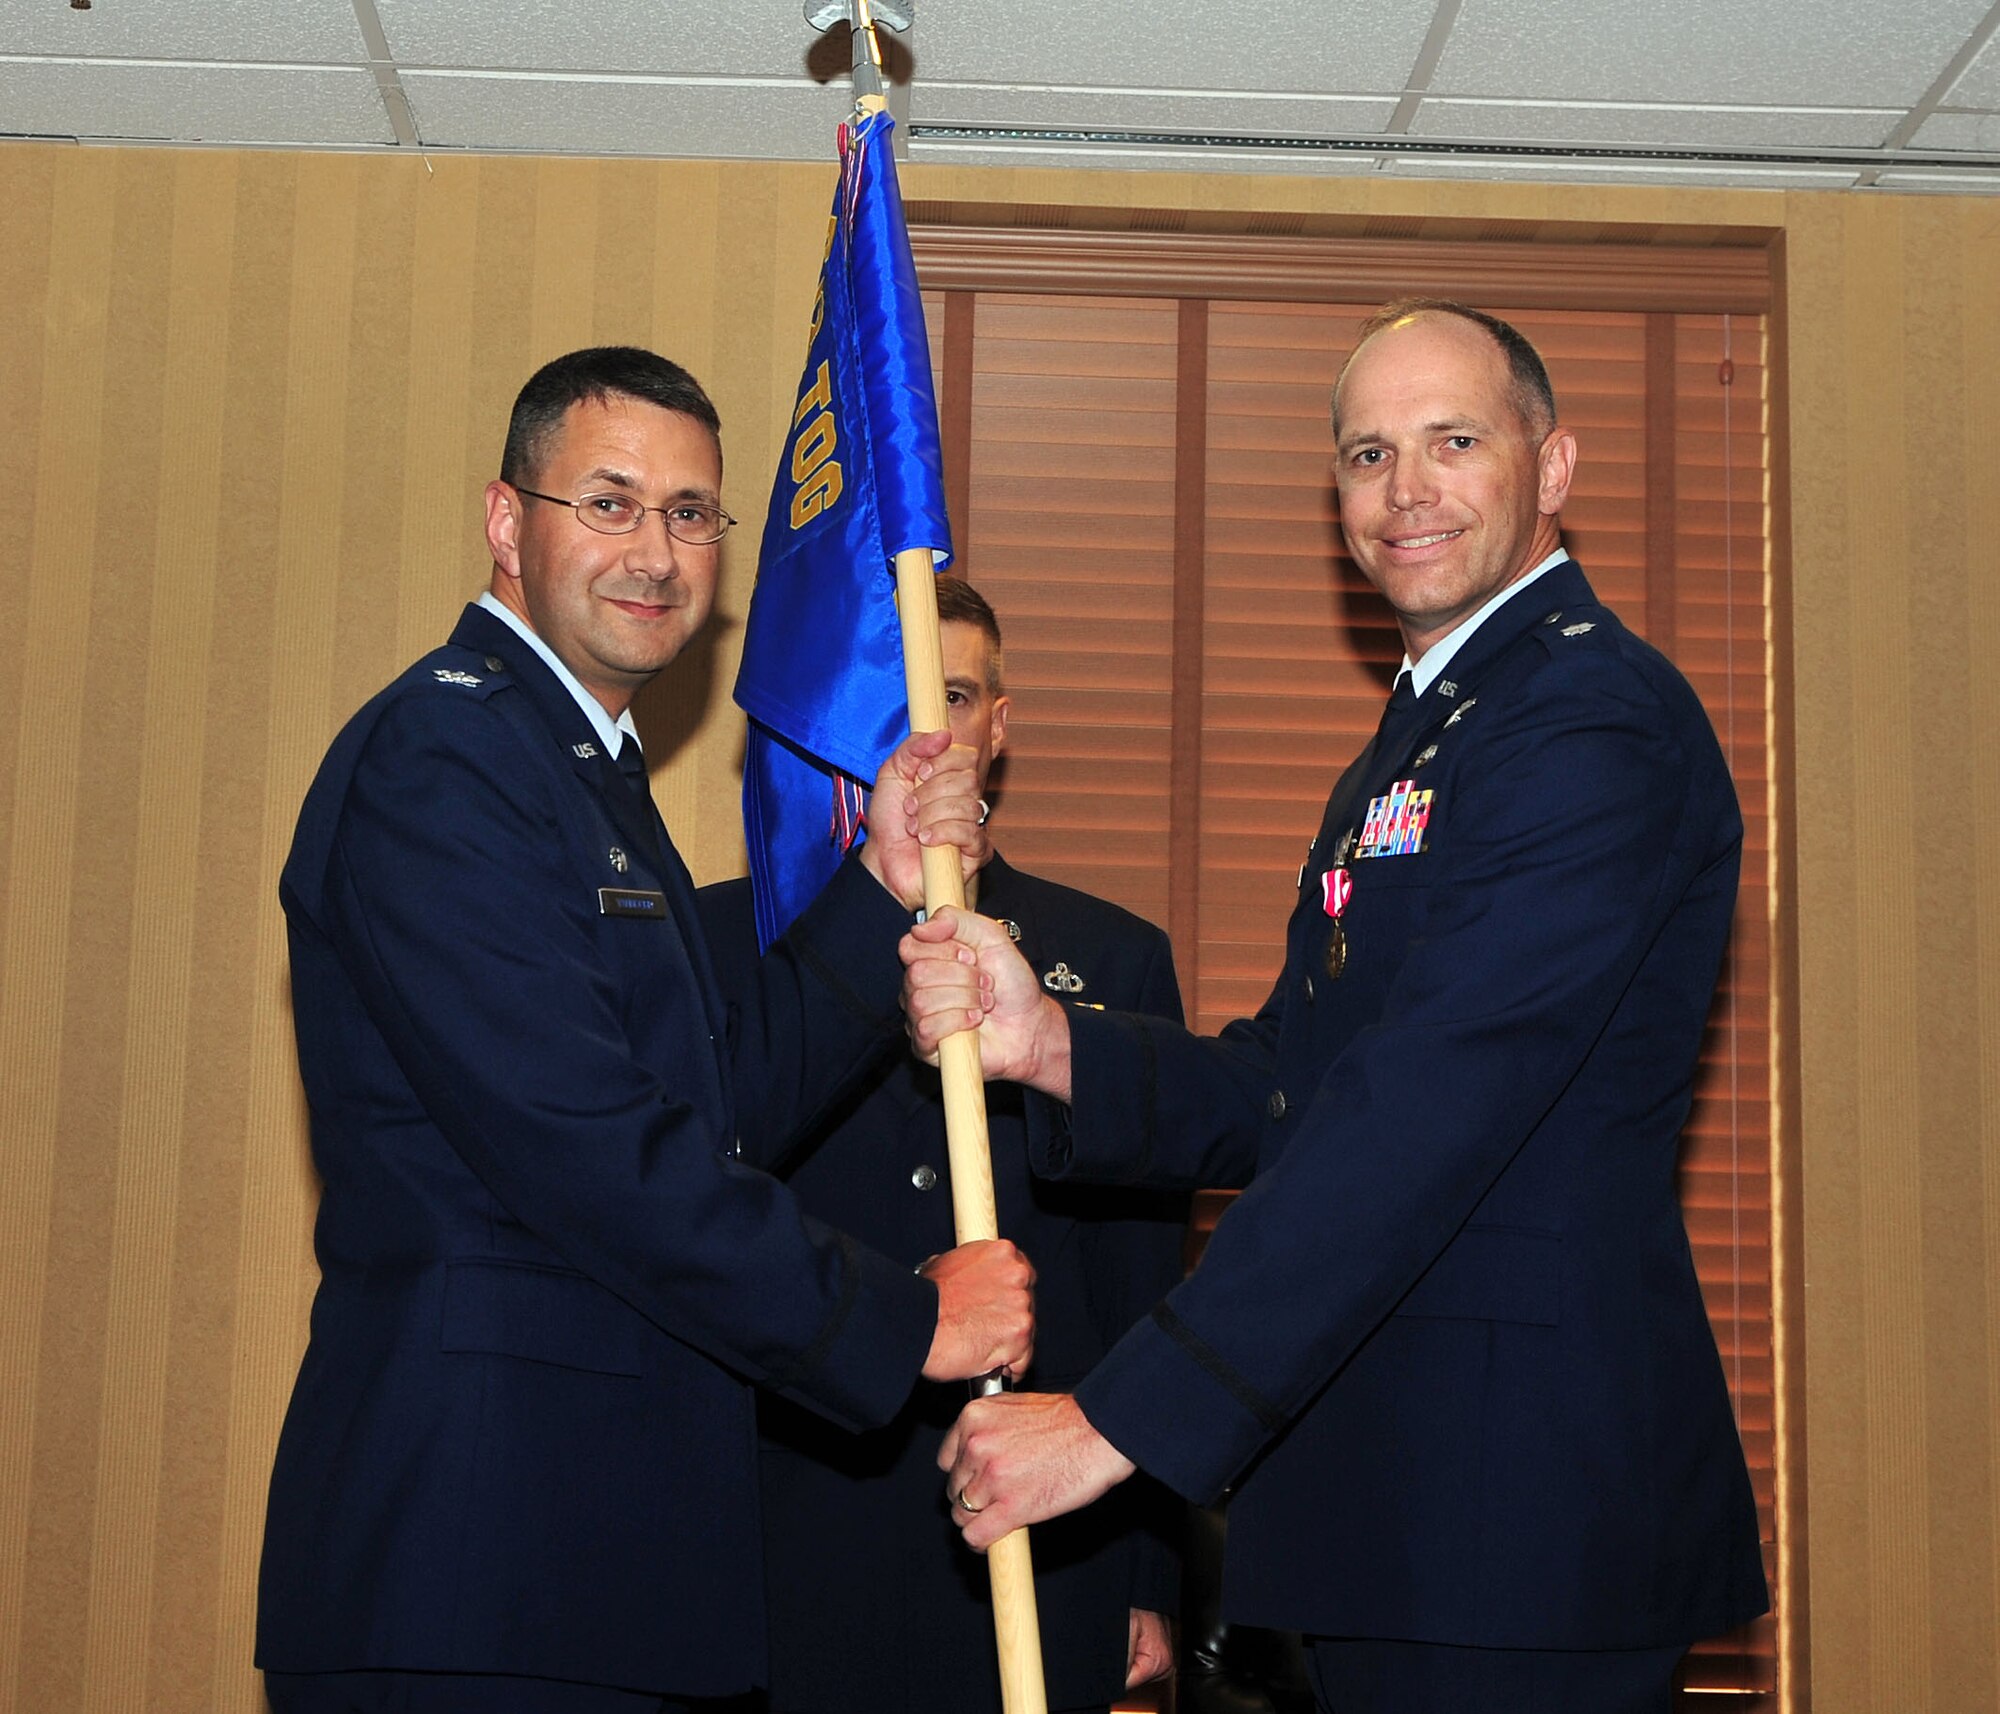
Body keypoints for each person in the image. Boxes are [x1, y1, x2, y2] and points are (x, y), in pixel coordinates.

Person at [906, 301, 1770, 1713]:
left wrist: (1122, 1418)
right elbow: (1297, 1083)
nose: (1405, 488)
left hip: (1521, 1511)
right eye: (1369, 453)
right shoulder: (1417, 743)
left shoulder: (1593, 721)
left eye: (1454, 440)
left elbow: (1424, 1108)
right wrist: (1050, 1043)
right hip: (1407, 1503)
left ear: (1553, 468)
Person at [257, 347, 1036, 1714]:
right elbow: (587, 1147)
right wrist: (900, 1318)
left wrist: (875, 884)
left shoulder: (581, 776)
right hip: (479, 1560)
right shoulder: (445, 762)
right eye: (609, 503)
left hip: (595, 1569)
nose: (657, 552)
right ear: (508, 522)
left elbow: (713, 1100)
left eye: (691, 514)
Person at [700, 576, 1184, 1714]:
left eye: (953, 694)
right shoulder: (728, 949)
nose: (924, 734)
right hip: (794, 1516)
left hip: (1041, 1531)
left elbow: (1141, 1285)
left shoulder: (1110, 960)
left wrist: (1149, 1572)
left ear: (997, 726)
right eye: (889, 706)